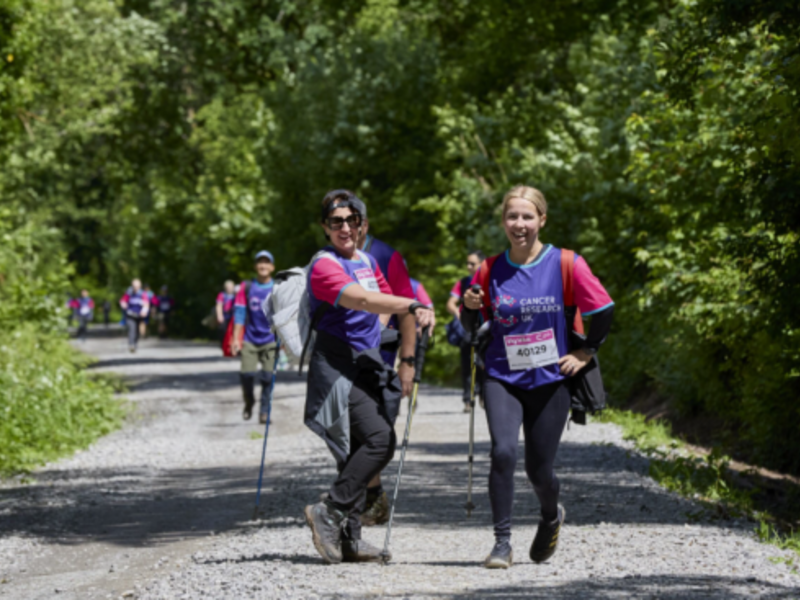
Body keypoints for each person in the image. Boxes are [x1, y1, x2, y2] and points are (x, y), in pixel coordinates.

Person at [461, 185, 614, 569]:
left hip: (549, 381)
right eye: (512, 216)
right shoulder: (489, 269)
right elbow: (472, 326)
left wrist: (585, 352)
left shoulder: (566, 263)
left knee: (539, 470)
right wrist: (469, 307)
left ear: (542, 220)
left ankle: (550, 516)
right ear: (503, 221)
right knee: (502, 453)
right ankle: (501, 542)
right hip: (502, 376)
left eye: (528, 216)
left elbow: (604, 309)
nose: (520, 224)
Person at [302, 189, 434, 564]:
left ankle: (350, 540)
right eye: (336, 222)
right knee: (379, 440)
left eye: (351, 220)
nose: (344, 227)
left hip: (365, 364)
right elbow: (361, 299)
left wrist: (394, 332)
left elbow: (382, 304)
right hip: (337, 369)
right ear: (325, 228)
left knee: (357, 448)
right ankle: (329, 510)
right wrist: (412, 305)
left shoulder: (364, 260)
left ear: (361, 224)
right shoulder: (325, 265)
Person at [231, 252, 277, 424]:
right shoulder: (247, 287)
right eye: (260, 262)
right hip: (250, 339)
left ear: (272, 267)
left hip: (270, 340)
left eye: (267, 262)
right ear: (255, 266)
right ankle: (249, 401)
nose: (263, 266)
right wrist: (236, 339)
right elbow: (240, 313)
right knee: (247, 375)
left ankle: (264, 412)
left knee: (267, 377)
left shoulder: (277, 287)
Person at [447, 250, 486, 413]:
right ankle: (468, 399)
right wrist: (461, 315)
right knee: (467, 364)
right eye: (467, 263)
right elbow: (451, 303)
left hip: (486, 330)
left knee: (485, 364)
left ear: (481, 264)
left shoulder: (489, 279)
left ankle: (485, 396)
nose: (468, 266)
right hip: (468, 330)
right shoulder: (463, 282)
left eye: (472, 263)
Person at [120, 279, 150, 353]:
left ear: (140, 286)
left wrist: (144, 311)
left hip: (139, 315)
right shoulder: (129, 293)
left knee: (137, 330)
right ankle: (131, 344)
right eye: (134, 286)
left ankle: (135, 344)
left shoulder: (143, 294)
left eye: (137, 286)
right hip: (130, 315)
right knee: (131, 328)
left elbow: (146, 304)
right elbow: (123, 301)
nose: (135, 288)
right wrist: (123, 304)